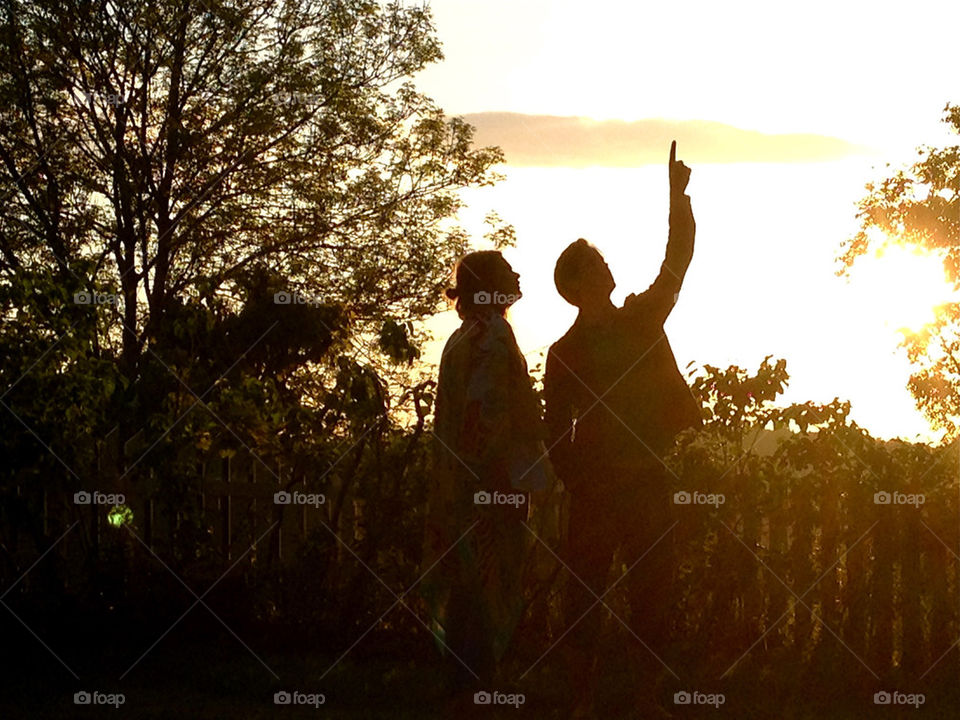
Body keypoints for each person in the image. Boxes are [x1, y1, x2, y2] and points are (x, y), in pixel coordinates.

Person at [544, 142, 702, 717]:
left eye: (603, 259)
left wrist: (676, 202)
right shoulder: (566, 353)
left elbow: (676, 264)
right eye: (595, 264)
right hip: (601, 490)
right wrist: (581, 481)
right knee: (584, 595)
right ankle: (580, 698)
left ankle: (644, 700)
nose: (607, 266)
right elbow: (555, 432)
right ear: (578, 286)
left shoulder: (639, 317)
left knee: (652, 593)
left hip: (644, 479)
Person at [422, 250, 554, 705]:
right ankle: (483, 684)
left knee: (469, 583)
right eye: (506, 271)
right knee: (494, 583)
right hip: (493, 482)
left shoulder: (462, 337)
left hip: (462, 486)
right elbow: (485, 413)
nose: (517, 275)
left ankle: (466, 683)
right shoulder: (493, 335)